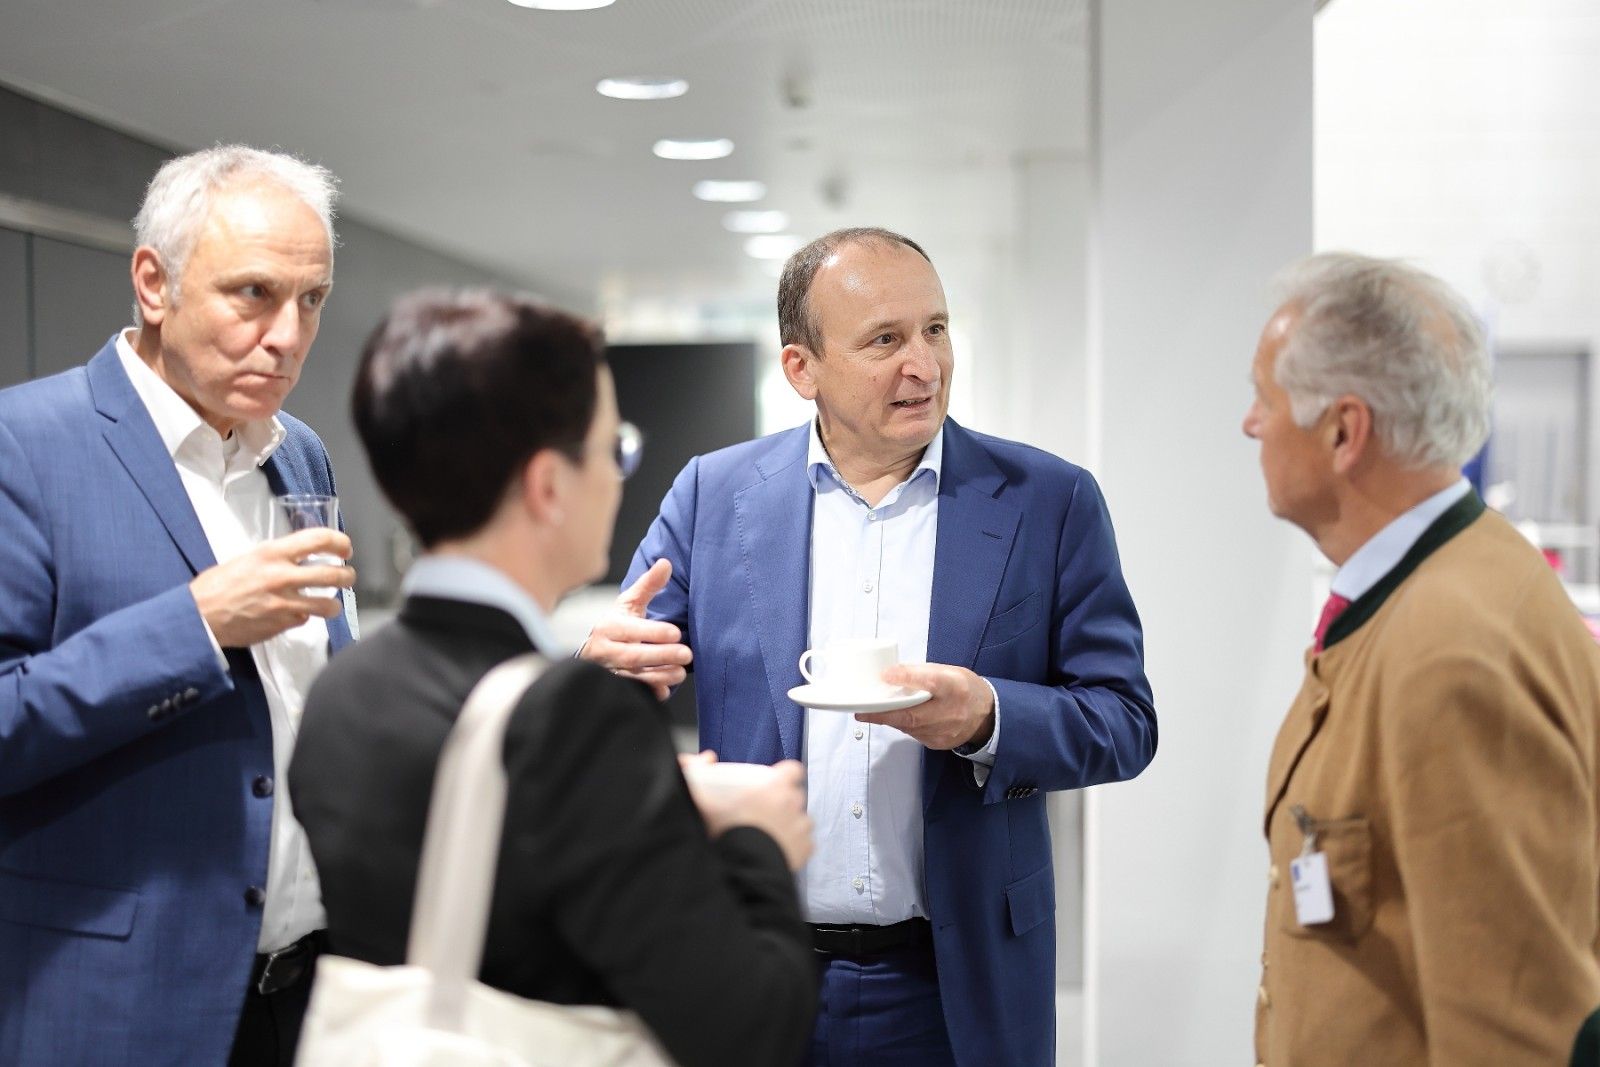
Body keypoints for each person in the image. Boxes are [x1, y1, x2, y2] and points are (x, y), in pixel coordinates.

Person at [583, 227, 1157, 1066]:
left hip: (956, 985)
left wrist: (988, 717)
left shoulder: (1048, 499)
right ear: (801, 369)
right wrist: (603, 665)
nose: (924, 365)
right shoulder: (713, 493)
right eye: (885, 340)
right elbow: (619, 678)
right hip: (752, 967)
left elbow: (1124, 719)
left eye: (935, 329)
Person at [288, 289, 819, 1067]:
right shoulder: (577, 720)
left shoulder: (344, 688)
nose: (619, 476)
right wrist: (754, 837)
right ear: (547, 486)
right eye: (613, 449)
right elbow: (752, 1027)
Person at [0, 145, 357, 1066]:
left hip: (307, 995)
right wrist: (194, 625)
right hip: (122, 1006)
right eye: (254, 293)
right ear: (154, 284)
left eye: (311, 299)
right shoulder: (23, 447)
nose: (288, 335)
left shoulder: (299, 454)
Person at [1242, 252, 1600, 1066]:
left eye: (1265, 396)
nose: (1251, 424)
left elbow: (1509, 1027)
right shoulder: (1434, 588)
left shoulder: (1453, 650)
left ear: (1344, 431)